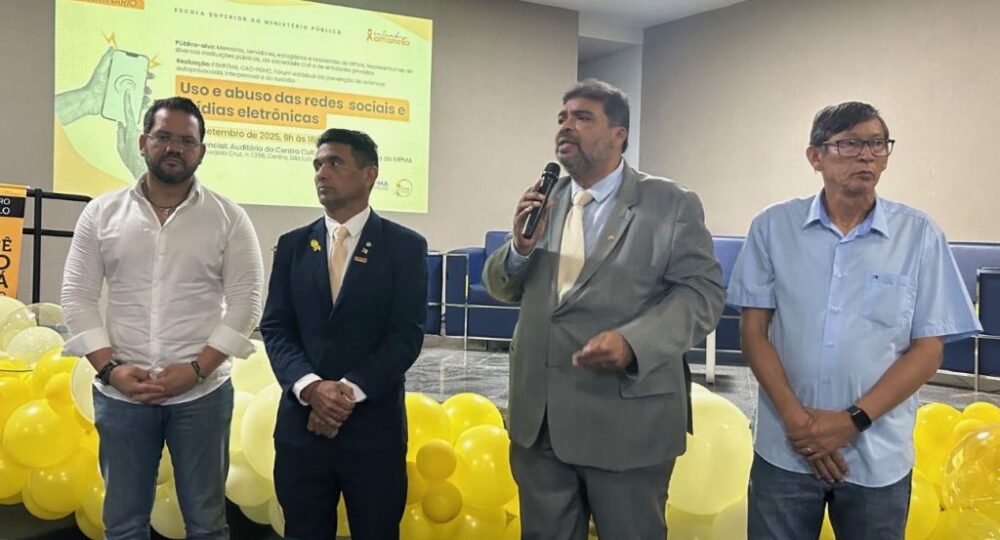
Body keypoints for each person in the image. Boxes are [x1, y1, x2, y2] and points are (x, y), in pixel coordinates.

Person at [481, 79, 725, 539]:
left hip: (626, 425)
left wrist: (634, 343)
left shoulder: (670, 204)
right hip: (540, 424)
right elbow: (499, 286)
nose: (565, 126)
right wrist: (518, 248)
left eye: (582, 117)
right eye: (562, 118)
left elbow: (702, 294)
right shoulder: (546, 200)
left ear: (619, 134)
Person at [727, 102, 981, 539]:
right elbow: (753, 333)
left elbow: (928, 350)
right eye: (849, 144)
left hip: (876, 454)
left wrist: (851, 421)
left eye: (877, 144)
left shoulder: (918, 235)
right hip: (785, 449)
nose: (866, 155)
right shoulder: (773, 228)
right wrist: (797, 423)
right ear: (816, 156)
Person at [61, 96, 264, 540]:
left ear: (201, 151)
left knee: (206, 525)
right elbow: (76, 296)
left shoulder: (229, 218)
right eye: (164, 137)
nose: (175, 148)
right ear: (142, 142)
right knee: (124, 524)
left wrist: (196, 370)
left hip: (203, 395)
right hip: (121, 394)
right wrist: (110, 370)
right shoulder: (101, 212)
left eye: (187, 141)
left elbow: (246, 303)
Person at [261, 128, 427, 540]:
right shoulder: (293, 246)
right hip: (302, 429)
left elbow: (406, 335)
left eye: (335, 162)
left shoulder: (405, 247)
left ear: (369, 174)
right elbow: (276, 327)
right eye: (318, 164)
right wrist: (311, 388)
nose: (322, 173)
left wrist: (345, 393)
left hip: (373, 434)